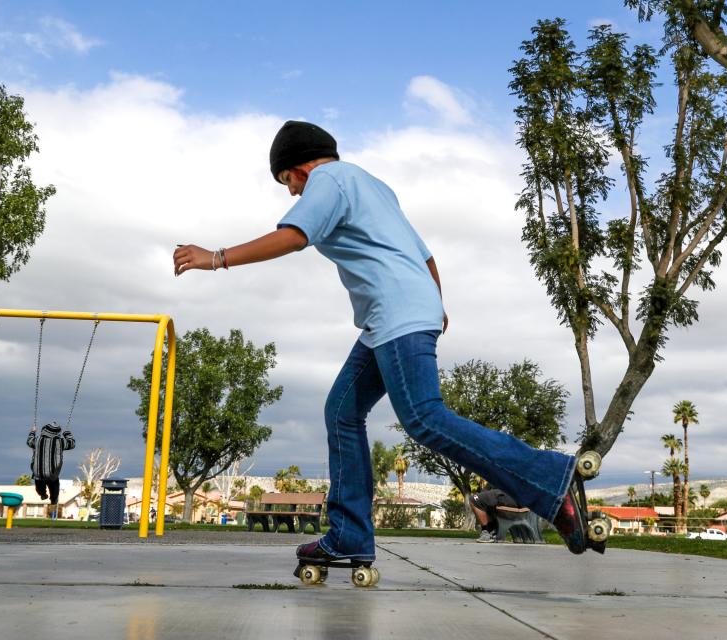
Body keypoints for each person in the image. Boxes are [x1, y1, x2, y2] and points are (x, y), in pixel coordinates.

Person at [173, 121, 594, 562]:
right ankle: (350, 536)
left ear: (297, 169)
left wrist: (216, 258)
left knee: (424, 419)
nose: (292, 195)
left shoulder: (327, 179)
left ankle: (549, 476)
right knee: (342, 410)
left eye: (286, 183)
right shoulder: (372, 185)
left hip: (397, 312)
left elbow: (294, 236)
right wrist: (435, 305)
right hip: (393, 315)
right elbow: (425, 255)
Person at [27, 421, 76, 517]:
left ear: (44, 430)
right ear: (57, 432)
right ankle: (53, 501)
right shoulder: (60, 442)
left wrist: (32, 432)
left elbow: (29, 441)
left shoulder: (38, 440)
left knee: (39, 487)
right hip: (52, 472)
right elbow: (72, 444)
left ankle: (43, 494)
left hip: (39, 472)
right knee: (54, 488)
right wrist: (67, 434)